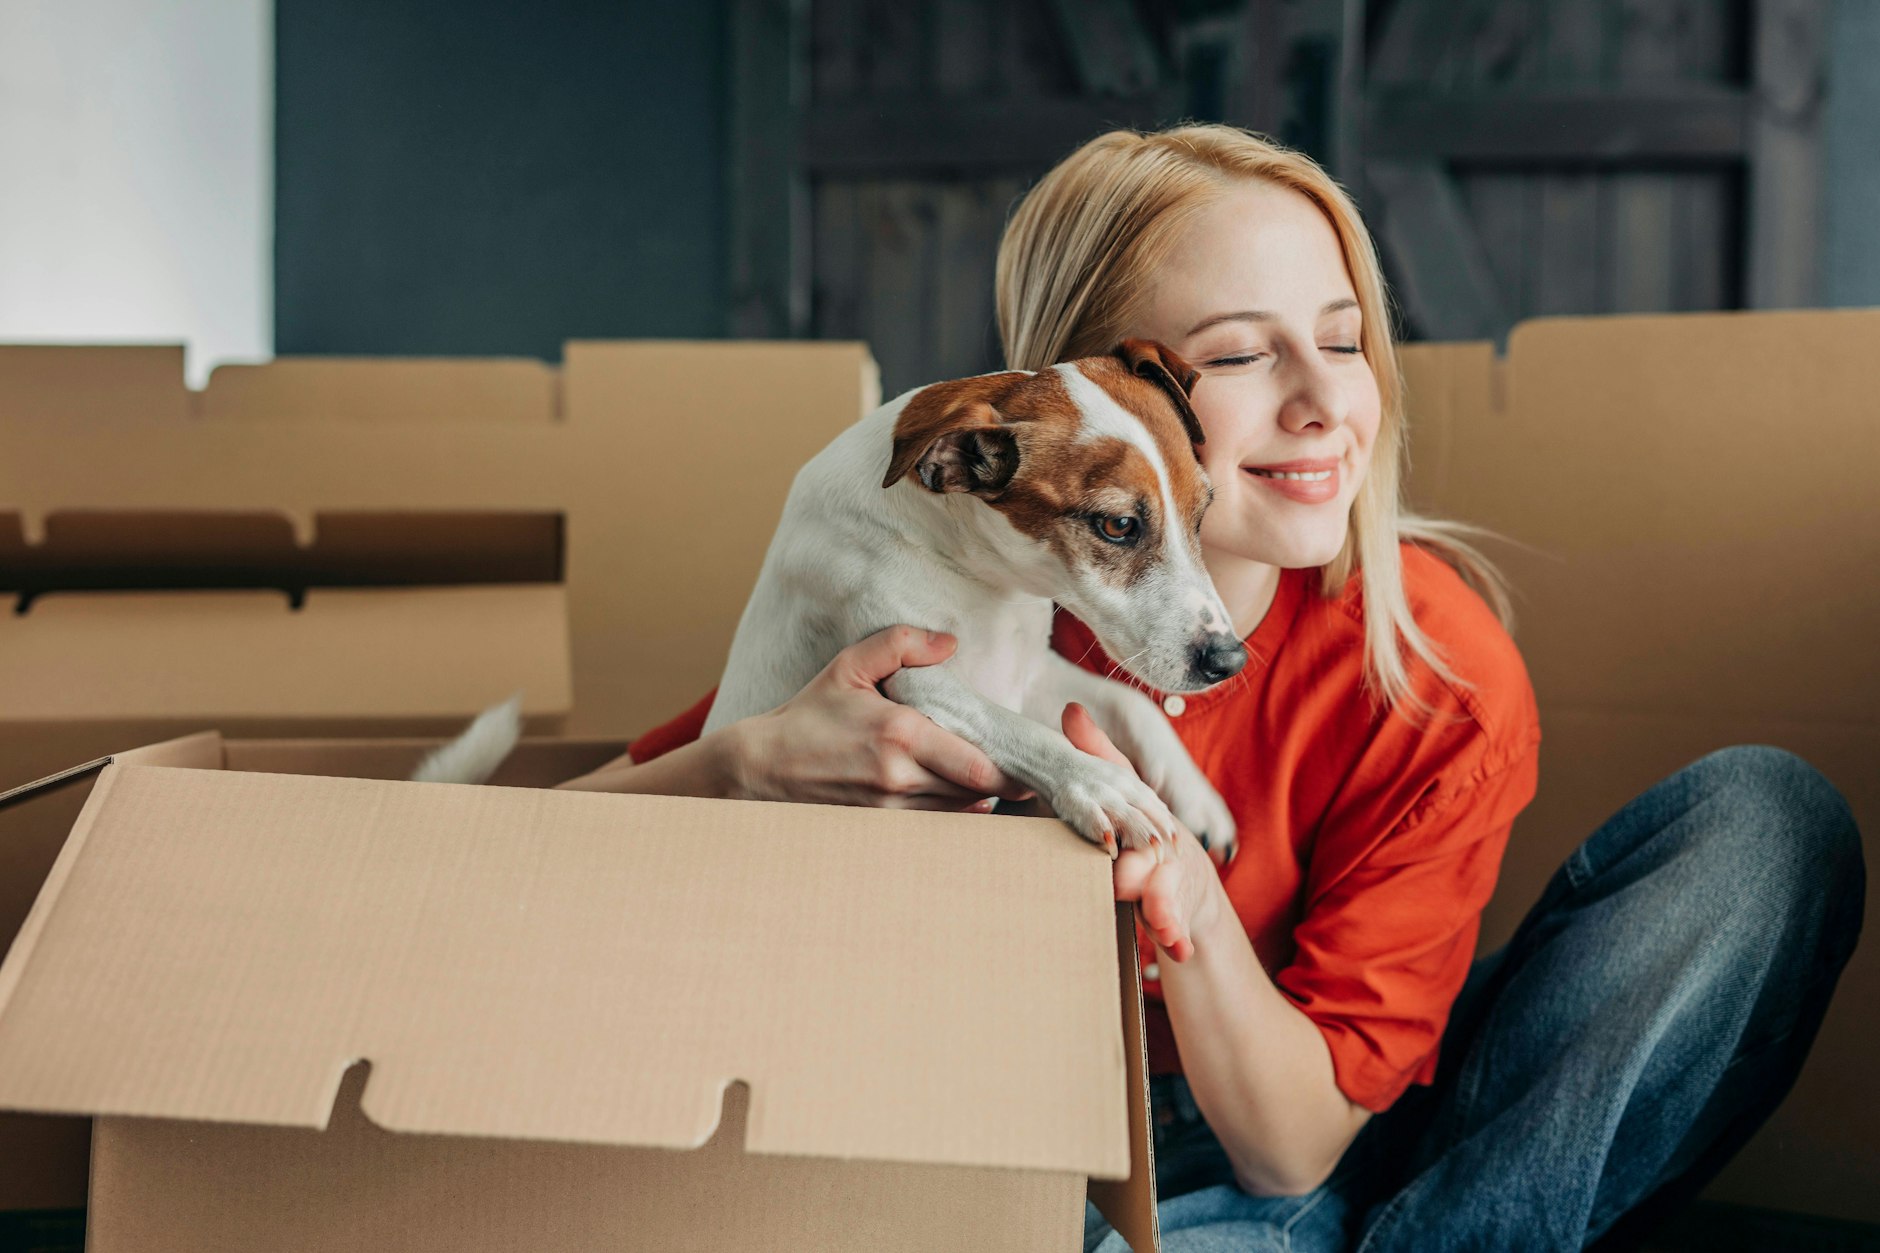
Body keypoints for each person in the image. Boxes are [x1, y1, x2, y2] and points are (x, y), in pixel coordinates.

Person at [559, 125, 1865, 1251]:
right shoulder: (952, 592)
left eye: (1346, 339)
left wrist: (1175, 880)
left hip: (1335, 1124)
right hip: (1073, 1157)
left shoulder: (1428, 668)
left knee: (1764, 821)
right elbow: (552, 851)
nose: (1319, 402)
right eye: (1240, 356)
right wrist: (746, 766)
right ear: (1098, 394)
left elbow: (1295, 1145)